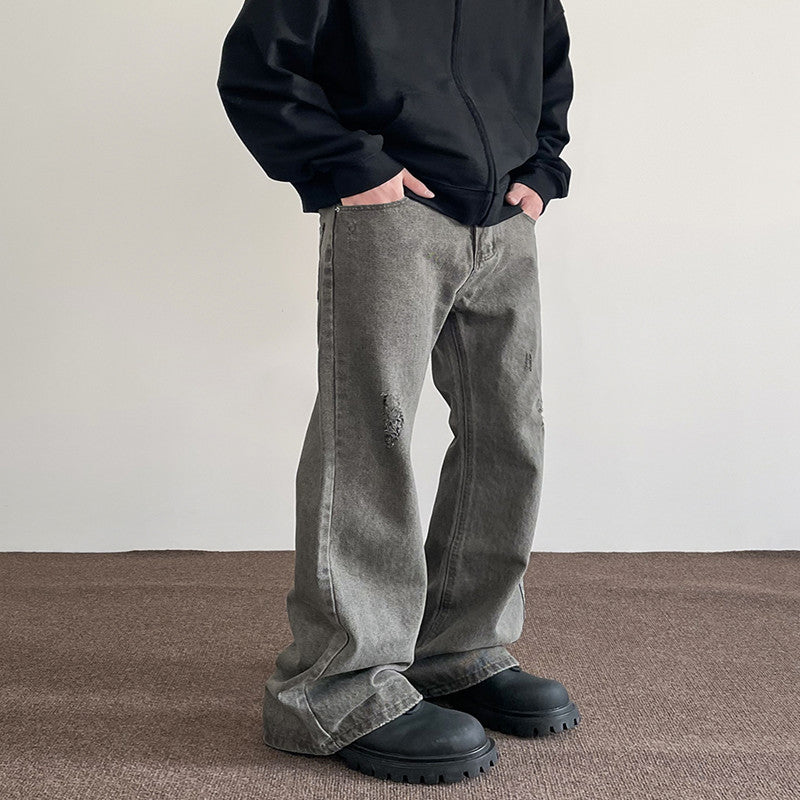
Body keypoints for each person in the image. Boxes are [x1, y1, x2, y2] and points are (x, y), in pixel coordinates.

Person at [217, 0, 579, 784]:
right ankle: (332, 685)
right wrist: (351, 166)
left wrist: (543, 169)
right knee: (371, 431)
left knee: (510, 432)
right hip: (394, 213)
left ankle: (460, 650)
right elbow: (257, 67)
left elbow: (547, 69)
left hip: (505, 220)